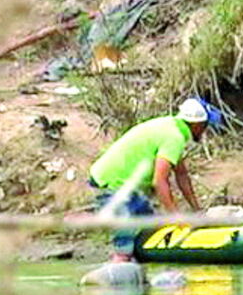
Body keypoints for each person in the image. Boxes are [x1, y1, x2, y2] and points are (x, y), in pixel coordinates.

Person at [88, 97, 222, 262]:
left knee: (151, 226)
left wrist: (197, 209)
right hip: (113, 184)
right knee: (125, 241)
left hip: (126, 186)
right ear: (197, 124)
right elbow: (159, 181)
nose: (205, 130)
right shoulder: (174, 137)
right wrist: (176, 217)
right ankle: (119, 262)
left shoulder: (172, 127)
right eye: (205, 126)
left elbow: (181, 174)